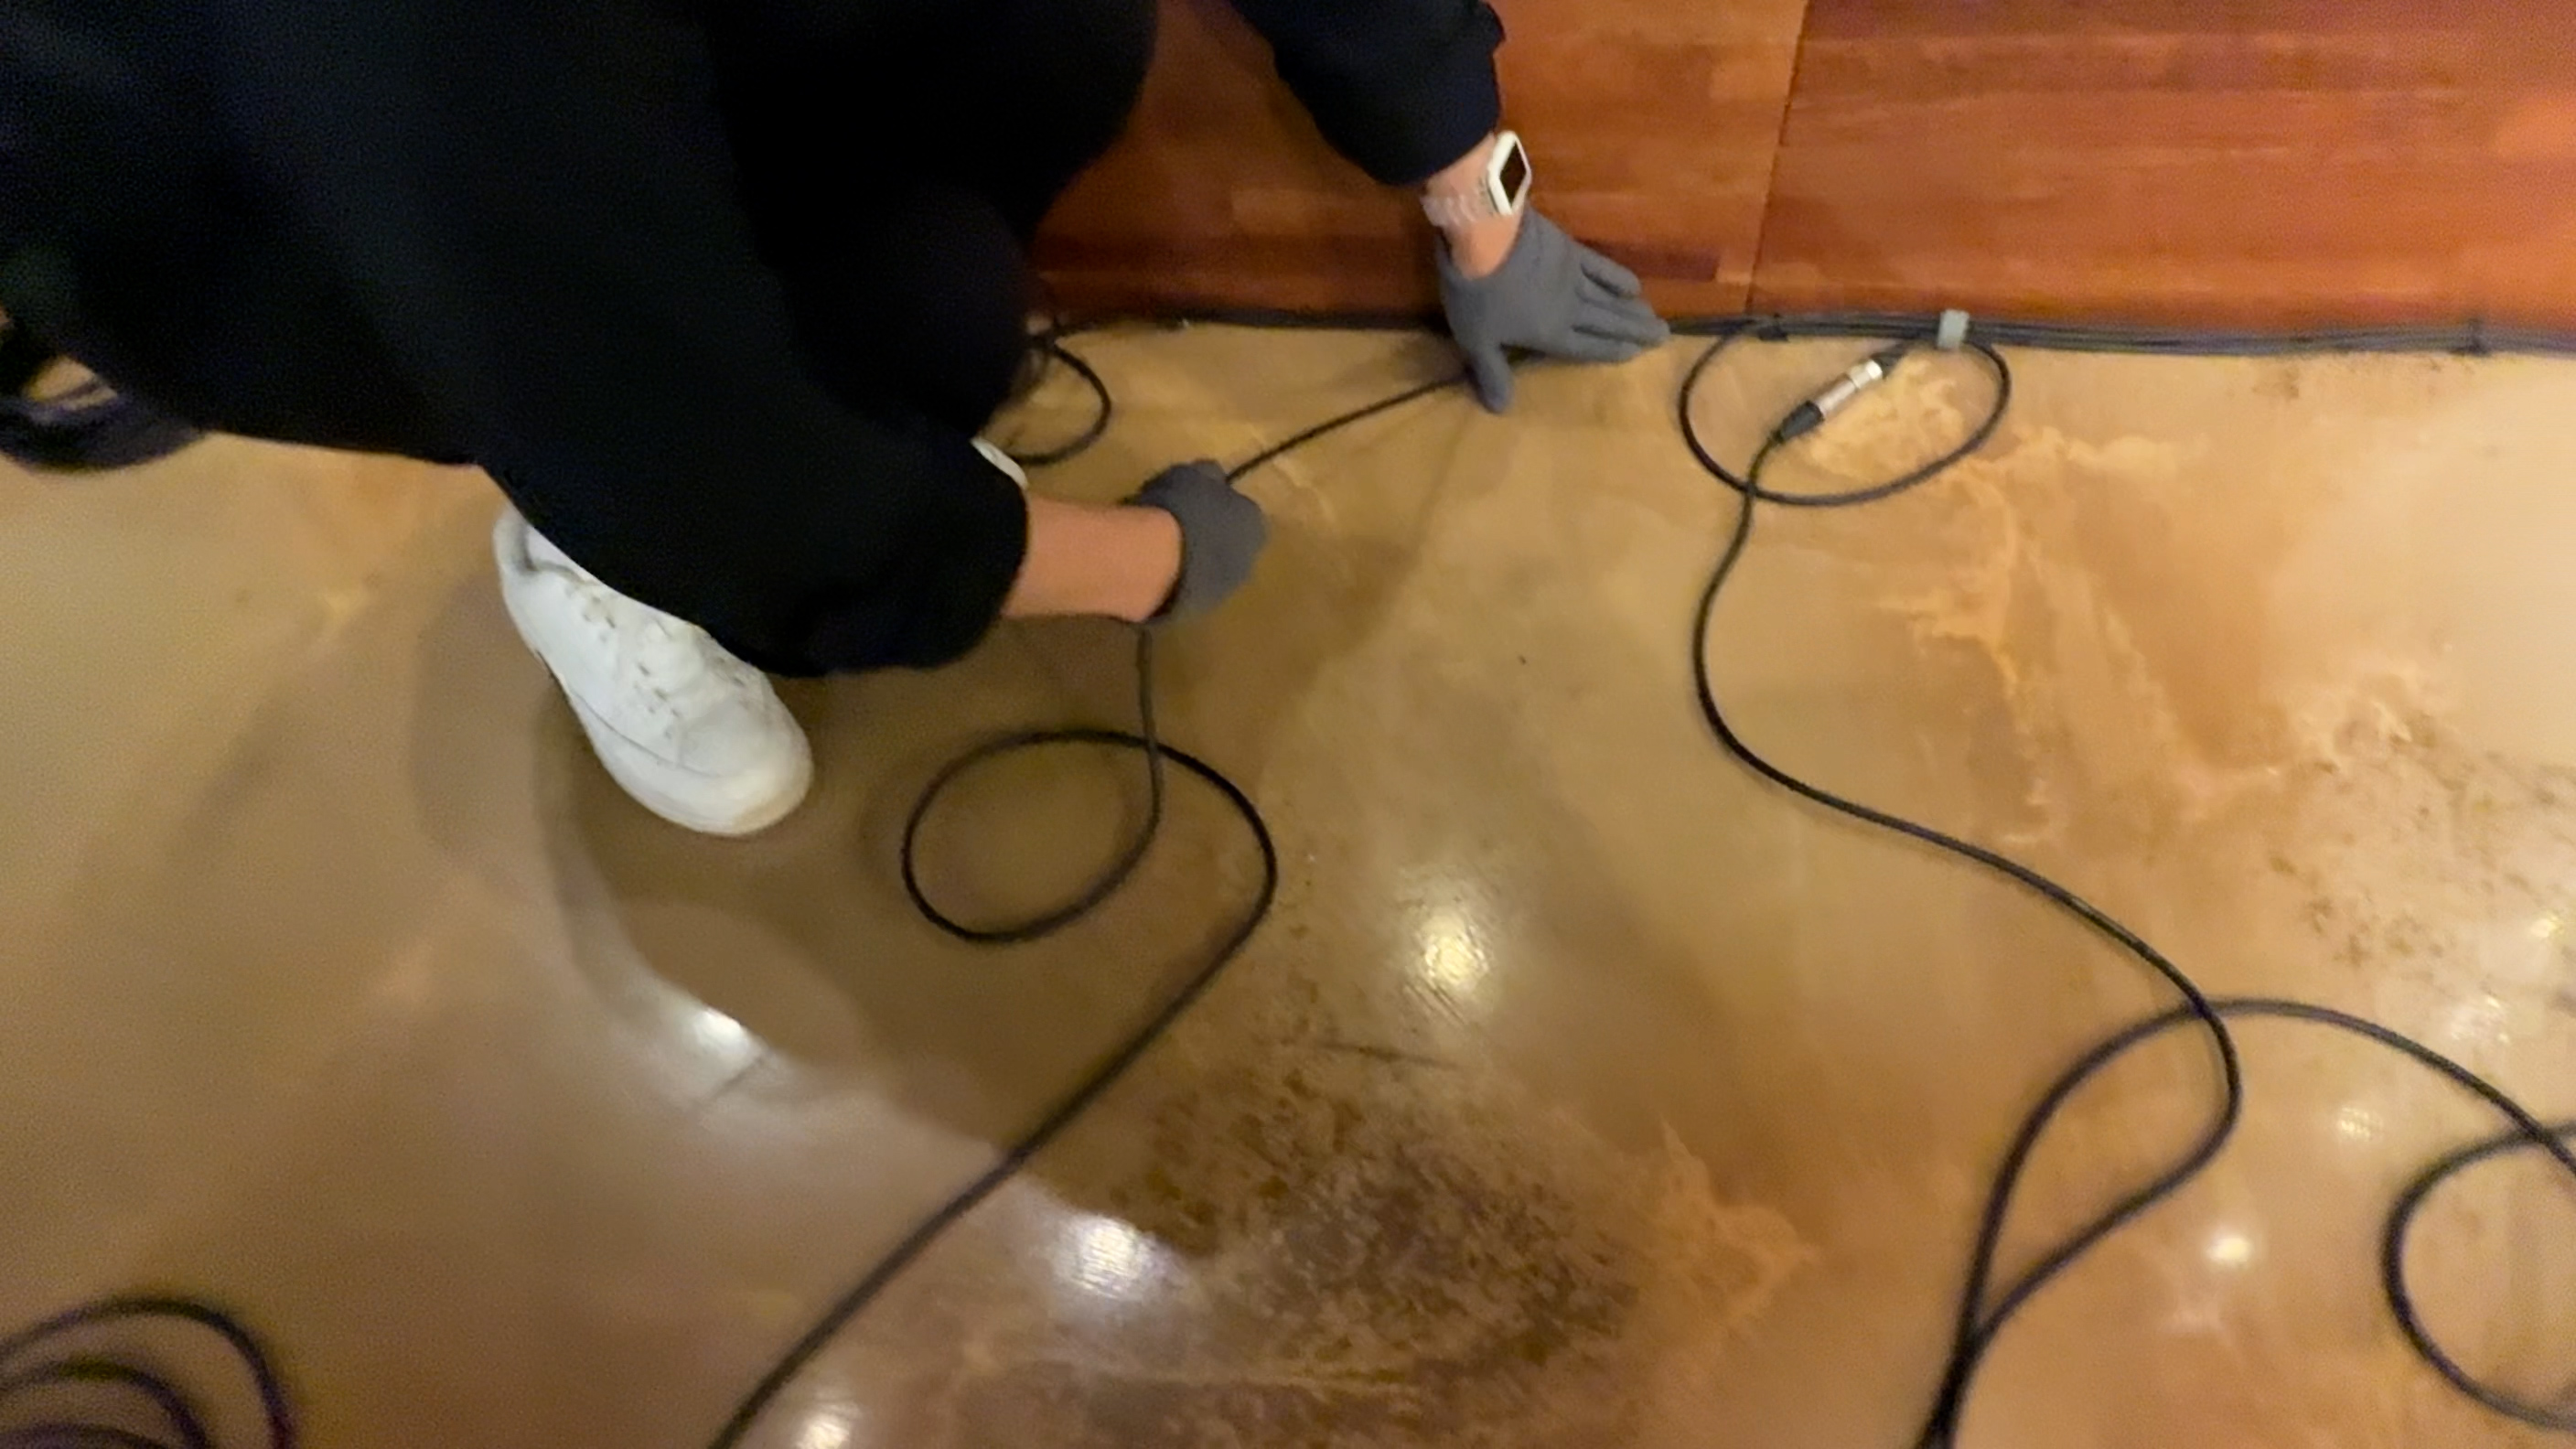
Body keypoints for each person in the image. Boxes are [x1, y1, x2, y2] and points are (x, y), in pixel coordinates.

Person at [0, 0, 1669, 834]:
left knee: (1026, 79)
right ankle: (585, 544)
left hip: (569, 98)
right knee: (895, 330)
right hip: (274, 222)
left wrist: (1477, 192)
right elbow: (649, 392)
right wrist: (1139, 564)